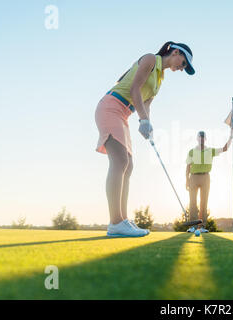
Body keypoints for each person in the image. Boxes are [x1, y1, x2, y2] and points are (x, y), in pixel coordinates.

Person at [95, 41, 195, 237]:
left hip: (123, 115)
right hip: (110, 107)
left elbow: (146, 104)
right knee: (120, 161)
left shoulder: (159, 79)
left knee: (128, 165)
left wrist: (147, 123)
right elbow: (134, 89)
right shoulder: (150, 59)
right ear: (175, 52)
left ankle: (122, 220)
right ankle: (115, 222)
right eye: (183, 64)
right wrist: (142, 119)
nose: (181, 69)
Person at [185, 128, 233, 233]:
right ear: (197, 139)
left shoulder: (210, 151)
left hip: (206, 177)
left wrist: (231, 136)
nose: (201, 139)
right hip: (193, 177)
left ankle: (202, 226)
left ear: (205, 139)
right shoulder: (192, 151)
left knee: (204, 202)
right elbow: (188, 167)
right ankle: (193, 227)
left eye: (203, 137)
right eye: (200, 137)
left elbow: (224, 148)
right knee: (192, 202)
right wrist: (186, 180)